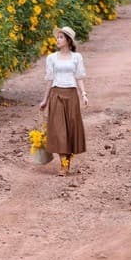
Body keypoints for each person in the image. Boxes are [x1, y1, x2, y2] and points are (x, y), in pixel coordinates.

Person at [39, 26, 88, 176]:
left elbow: (79, 77)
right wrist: (45, 99)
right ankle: (63, 165)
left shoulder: (77, 57)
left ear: (68, 40)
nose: (57, 40)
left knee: (70, 129)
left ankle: (67, 162)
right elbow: (49, 79)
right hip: (56, 94)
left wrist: (84, 94)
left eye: (61, 37)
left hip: (71, 95)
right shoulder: (51, 58)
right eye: (57, 37)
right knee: (59, 129)